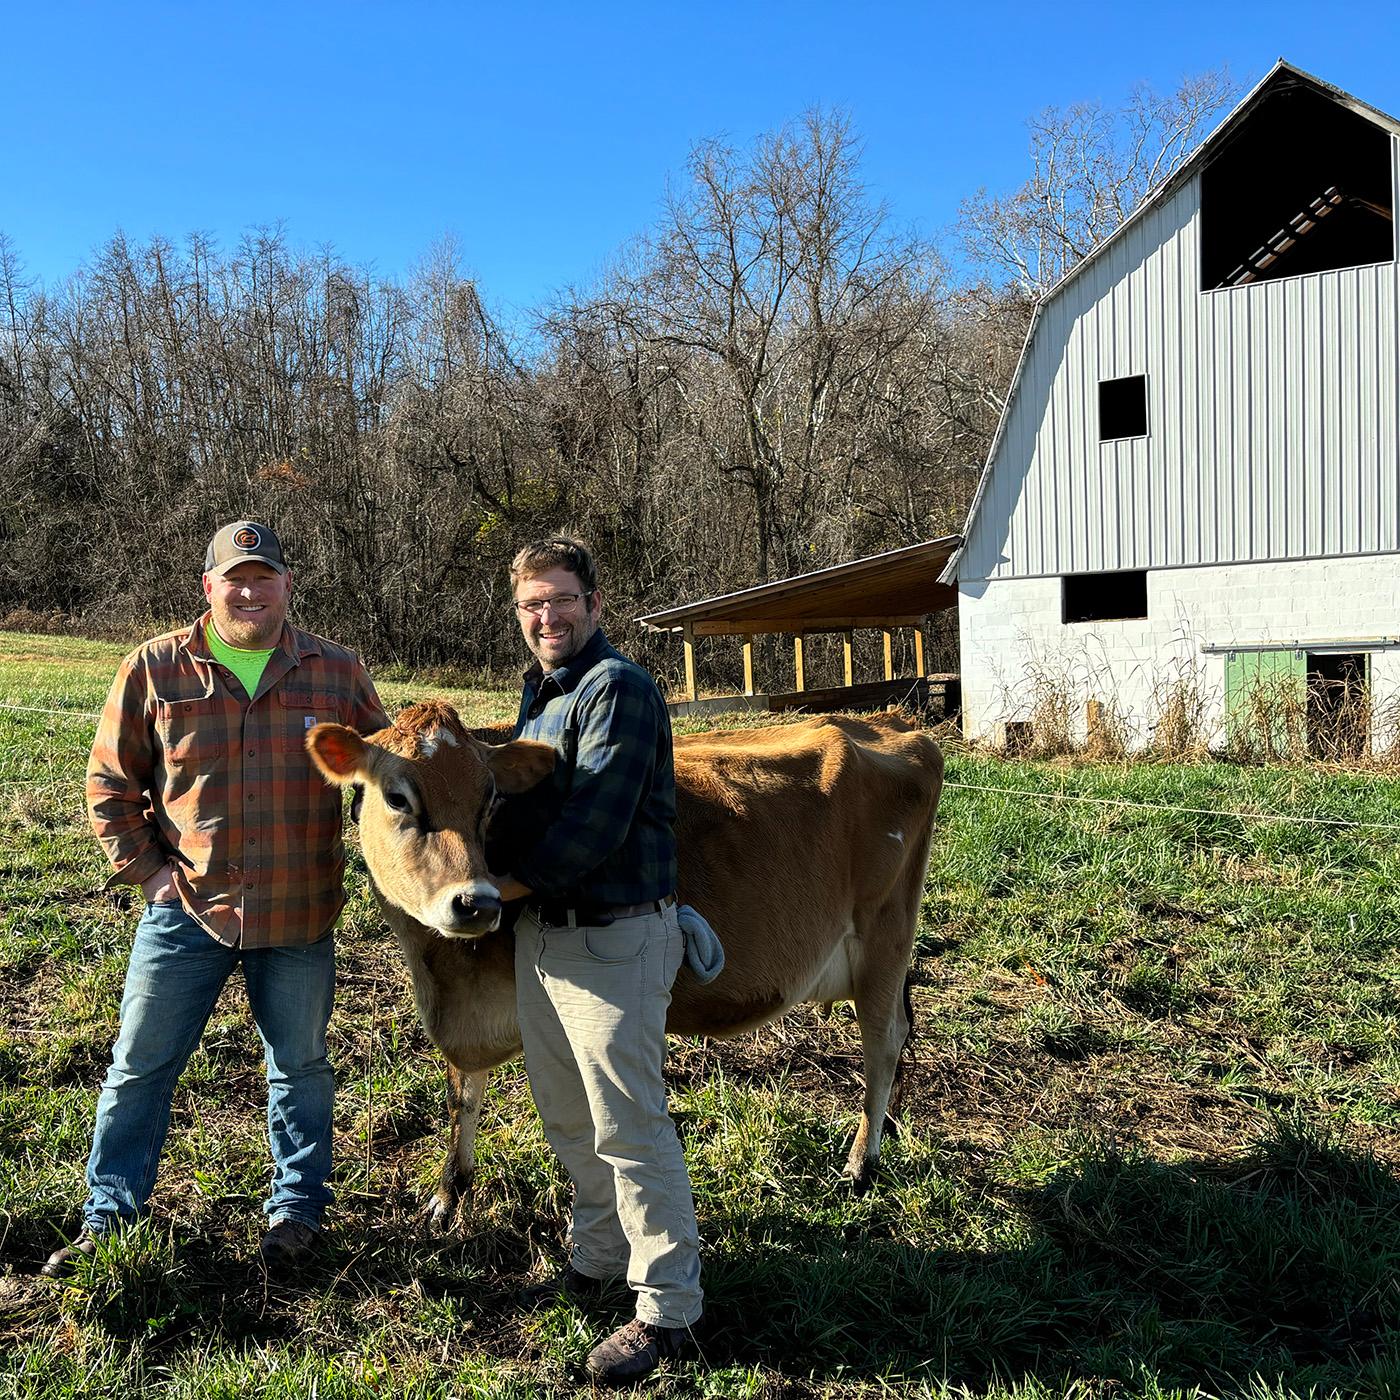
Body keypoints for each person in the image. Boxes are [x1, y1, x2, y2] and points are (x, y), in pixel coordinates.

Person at [42, 521, 387, 1281]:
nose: (249, 591)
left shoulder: (335, 672)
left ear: (286, 585)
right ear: (209, 586)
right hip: (187, 910)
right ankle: (110, 1216)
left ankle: (296, 1213)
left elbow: (390, 775)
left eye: (264, 577)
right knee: (139, 1066)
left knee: (299, 1066)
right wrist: (150, 872)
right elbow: (109, 783)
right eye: (236, 577)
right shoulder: (155, 667)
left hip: (299, 912)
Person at [492, 536, 702, 1385]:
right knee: (569, 1118)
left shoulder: (619, 688)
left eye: (562, 600)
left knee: (631, 1127)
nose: (548, 617)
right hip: (545, 939)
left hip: (615, 937)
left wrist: (494, 889)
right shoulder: (541, 697)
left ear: (596, 604)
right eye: (532, 605)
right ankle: (599, 1252)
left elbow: (595, 825)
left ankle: (668, 1310)